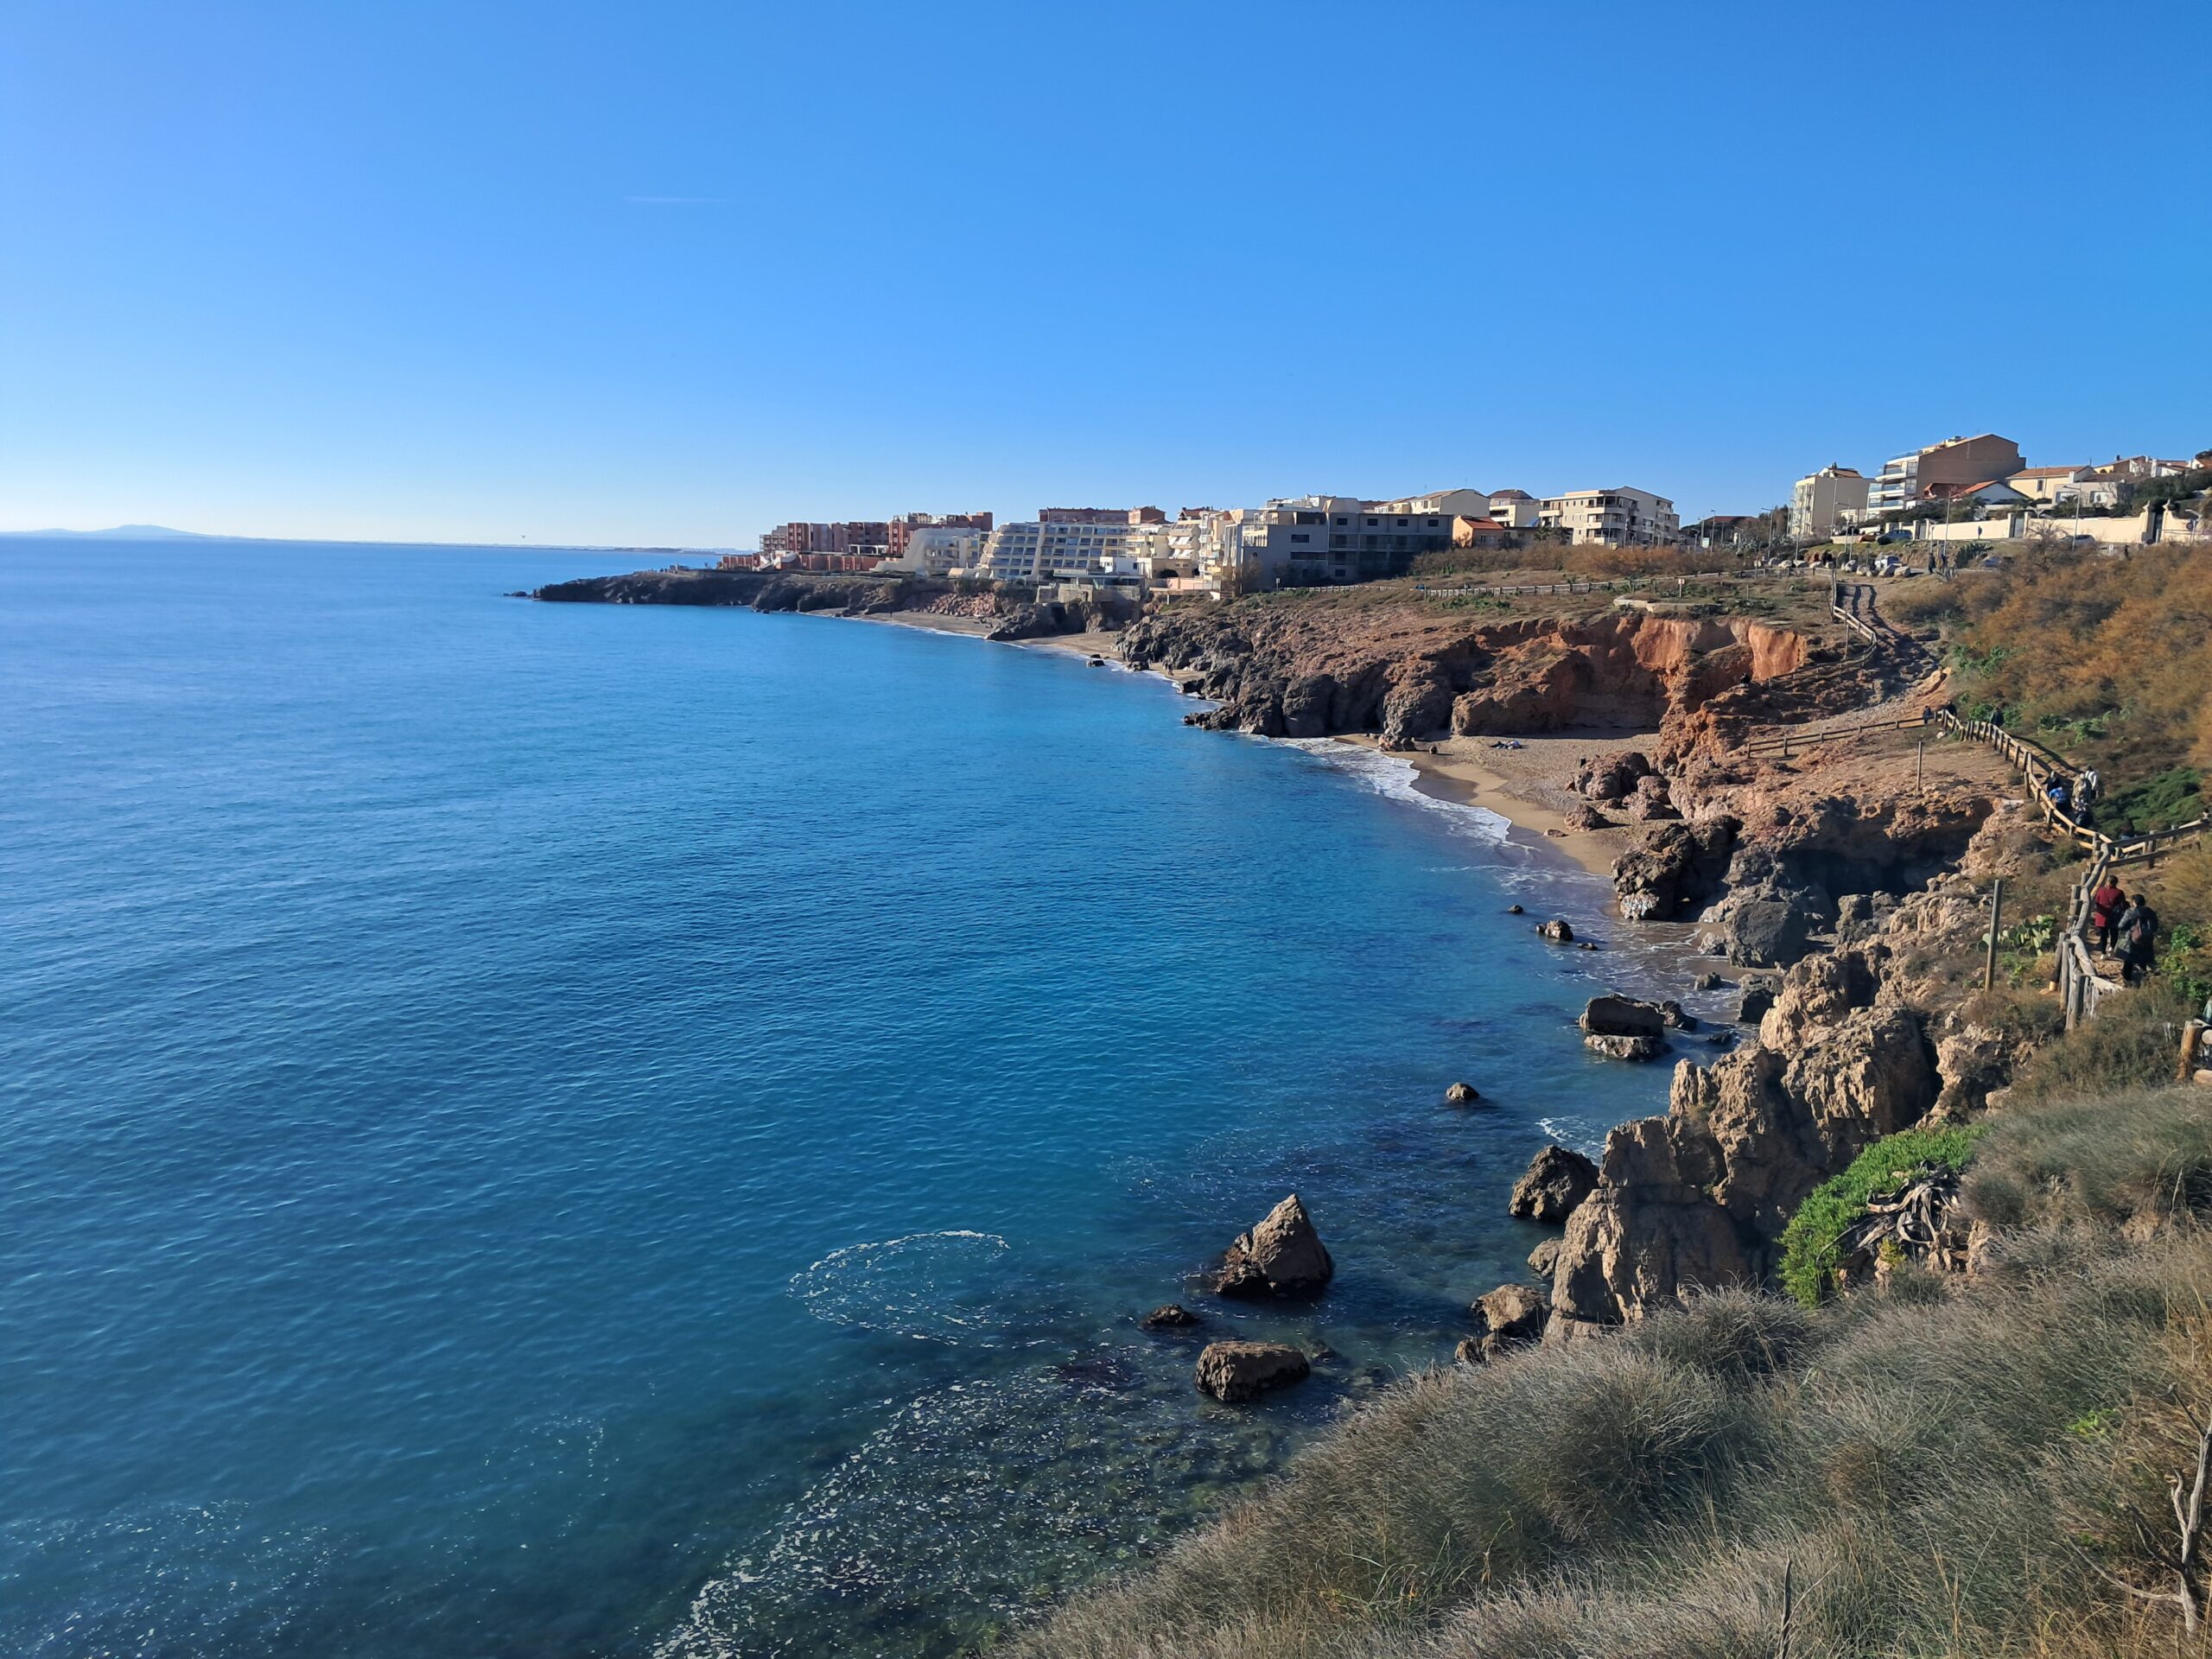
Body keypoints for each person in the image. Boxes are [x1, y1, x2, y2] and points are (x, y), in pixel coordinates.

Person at [2118, 893, 2159, 987]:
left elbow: (2121, 925)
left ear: (2134, 902)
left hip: (2133, 939)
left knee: (2128, 961)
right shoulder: (2150, 912)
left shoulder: (2130, 911)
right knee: (2143, 960)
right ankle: (2144, 979)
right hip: (2147, 940)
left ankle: (2128, 982)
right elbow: (2155, 926)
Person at [2091, 874, 2126, 954]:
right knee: (2114, 934)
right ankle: (2111, 947)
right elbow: (2123, 905)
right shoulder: (2120, 892)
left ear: (2107, 882)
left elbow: (2097, 901)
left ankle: (2103, 953)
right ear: (2116, 883)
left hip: (2102, 916)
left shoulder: (2101, 890)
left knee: (2103, 935)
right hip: (2114, 917)